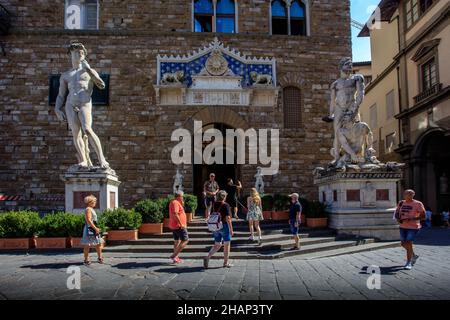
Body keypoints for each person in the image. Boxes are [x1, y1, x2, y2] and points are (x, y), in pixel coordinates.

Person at [54, 42, 109, 169]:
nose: (79, 54)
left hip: (84, 103)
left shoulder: (89, 71)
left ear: (84, 56)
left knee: (87, 129)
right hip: (70, 104)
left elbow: (102, 85)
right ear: (71, 55)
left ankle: (102, 159)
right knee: (76, 133)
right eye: (76, 52)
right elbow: (61, 95)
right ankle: (83, 160)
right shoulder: (66, 75)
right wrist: (57, 108)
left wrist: (89, 71)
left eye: (81, 53)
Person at [395, 189, 425, 270]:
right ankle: (414, 256)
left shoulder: (418, 204)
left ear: (413, 195)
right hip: (402, 226)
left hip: (413, 227)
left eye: (410, 194)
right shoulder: (401, 202)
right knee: (403, 243)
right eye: (406, 193)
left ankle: (409, 262)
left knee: (408, 243)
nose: (408, 195)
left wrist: (412, 218)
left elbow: (423, 216)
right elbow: (397, 212)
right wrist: (398, 218)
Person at [203, 190, 234, 269]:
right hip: (224, 226)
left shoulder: (214, 204)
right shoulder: (225, 205)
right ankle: (225, 263)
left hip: (216, 227)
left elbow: (210, 212)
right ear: (224, 197)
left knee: (217, 244)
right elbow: (228, 218)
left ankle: (208, 257)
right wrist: (231, 229)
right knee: (227, 245)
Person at [80, 195, 104, 265]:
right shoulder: (88, 209)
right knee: (87, 244)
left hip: (92, 228)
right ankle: (86, 259)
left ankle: (99, 257)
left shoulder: (90, 209)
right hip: (90, 229)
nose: (95, 202)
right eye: (94, 201)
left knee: (98, 243)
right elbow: (89, 220)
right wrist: (95, 228)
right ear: (90, 202)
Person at [168, 190, 189, 264]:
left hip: (175, 225)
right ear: (179, 196)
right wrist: (181, 224)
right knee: (185, 240)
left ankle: (175, 258)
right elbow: (175, 214)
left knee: (177, 241)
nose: (183, 198)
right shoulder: (175, 203)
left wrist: (182, 204)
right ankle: (174, 255)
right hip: (179, 226)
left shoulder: (175, 202)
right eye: (182, 196)